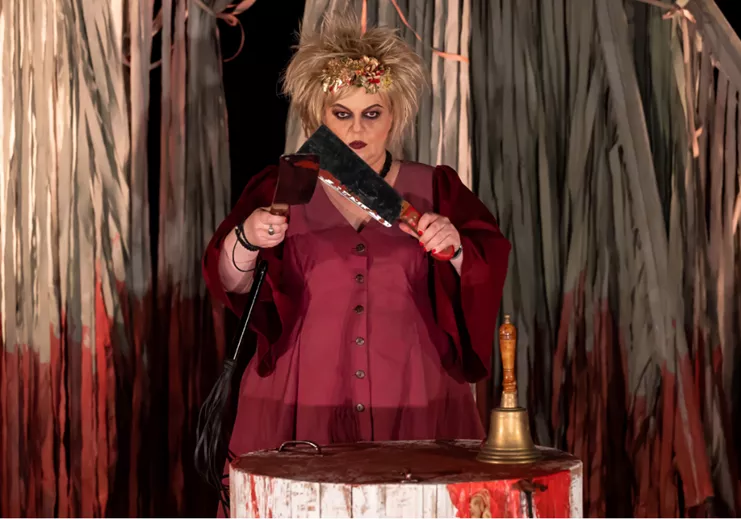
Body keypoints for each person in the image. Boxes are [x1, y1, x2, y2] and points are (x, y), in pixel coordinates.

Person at [202, 13, 511, 466]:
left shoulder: (434, 188)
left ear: (393, 116)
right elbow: (230, 284)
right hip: (301, 395)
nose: (357, 129)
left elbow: (487, 265)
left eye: (372, 114)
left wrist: (458, 246)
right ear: (320, 116)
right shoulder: (283, 187)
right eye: (342, 114)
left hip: (415, 395)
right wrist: (247, 238)